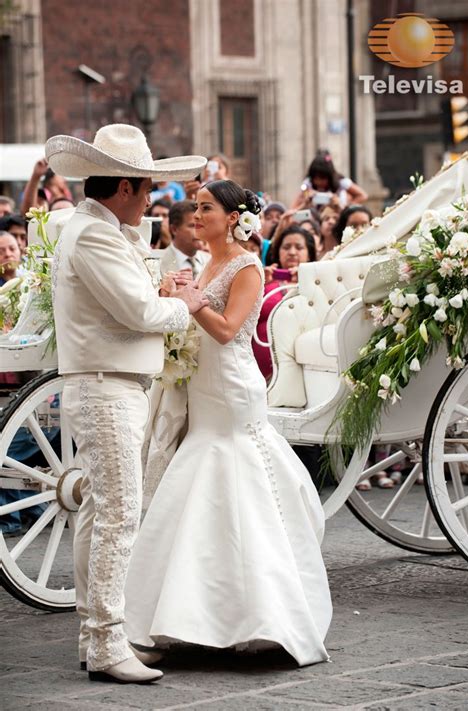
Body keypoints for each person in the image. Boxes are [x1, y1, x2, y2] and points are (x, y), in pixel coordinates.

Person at [125, 180, 331, 667]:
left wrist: (191, 301)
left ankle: (260, 614)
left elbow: (227, 330)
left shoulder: (247, 266)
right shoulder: (205, 264)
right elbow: (194, 321)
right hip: (202, 390)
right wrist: (176, 297)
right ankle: (181, 614)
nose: (196, 216)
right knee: (195, 486)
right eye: (195, 208)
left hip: (234, 391)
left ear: (234, 216)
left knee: (235, 482)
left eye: (206, 208)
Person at [45, 123, 208, 685]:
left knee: (99, 514)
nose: (151, 200)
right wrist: (183, 303)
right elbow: (139, 314)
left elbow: (131, 303)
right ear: (123, 189)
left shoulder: (99, 230)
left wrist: (160, 296)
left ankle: (98, 637)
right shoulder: (93, 235)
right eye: (145, 189)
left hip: (110, 382)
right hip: (105, 384)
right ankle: (109, 643)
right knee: (118, 516)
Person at [253, 225, 316, 380]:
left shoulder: (317, 281)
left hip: (307, 365)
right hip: (262, 369)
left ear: (309, 254)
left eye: (299, 247)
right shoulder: (263, 279)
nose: (292, 252)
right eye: (286, 247)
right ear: (278, 252)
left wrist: (306, 281)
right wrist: (260, 284)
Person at [292, 150, 367, 211]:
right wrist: (306, 199)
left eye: (322, 178)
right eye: (315, 178)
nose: (318, 182)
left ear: (329, 177)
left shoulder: (341, 182)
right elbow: (294, 207)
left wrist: (345, 208)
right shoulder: (307, 184)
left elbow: (362, 195)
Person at [154, 199, 210, 278]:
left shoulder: (210, 260)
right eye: (192, 226)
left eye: (201, 225)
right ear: (174, 229)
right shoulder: (156, 262)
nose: (199, 231)